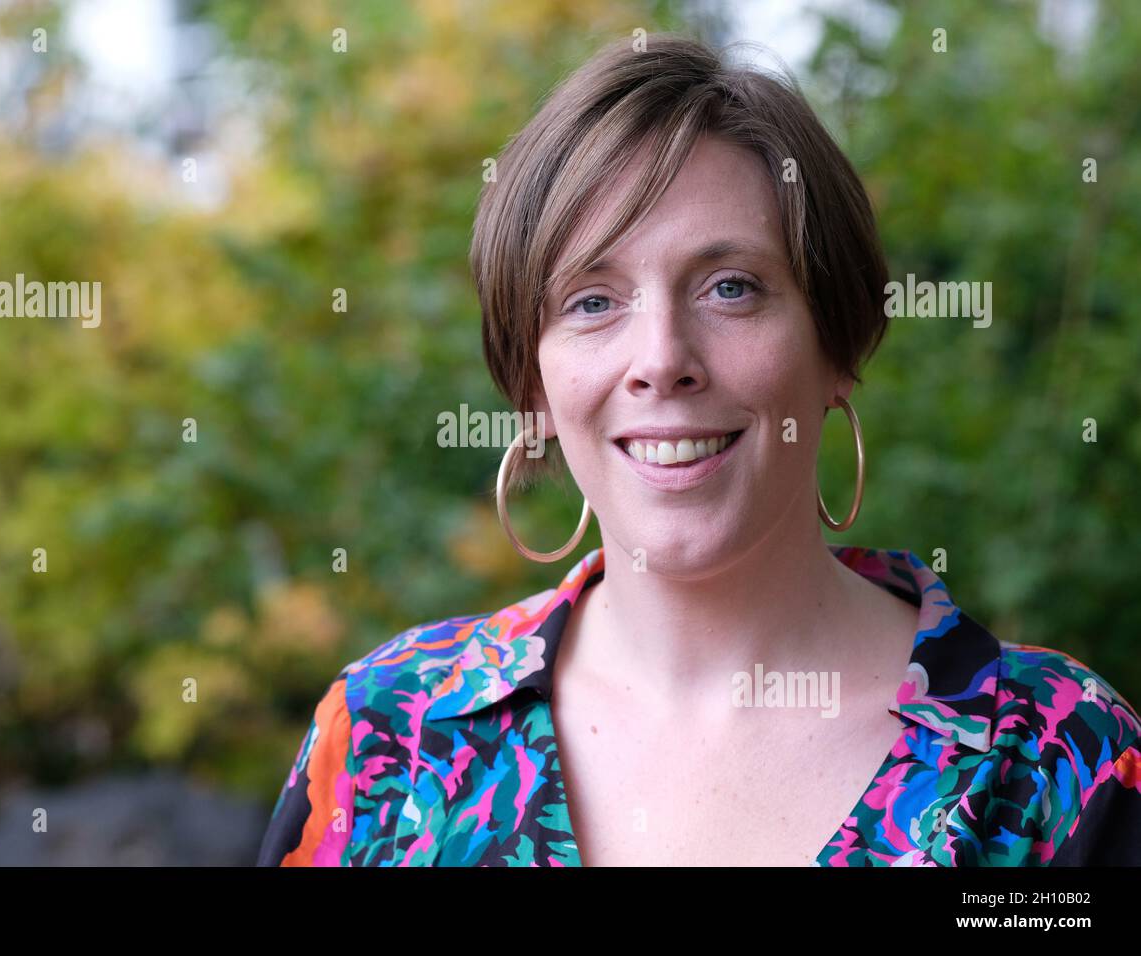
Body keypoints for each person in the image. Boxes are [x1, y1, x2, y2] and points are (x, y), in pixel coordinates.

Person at [256, 32, 1141, 866]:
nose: (662, 361)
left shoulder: (1058, 768)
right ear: (533, 382)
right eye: (592, 301)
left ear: (839, 344)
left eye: (730, 288)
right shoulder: (388, 742)